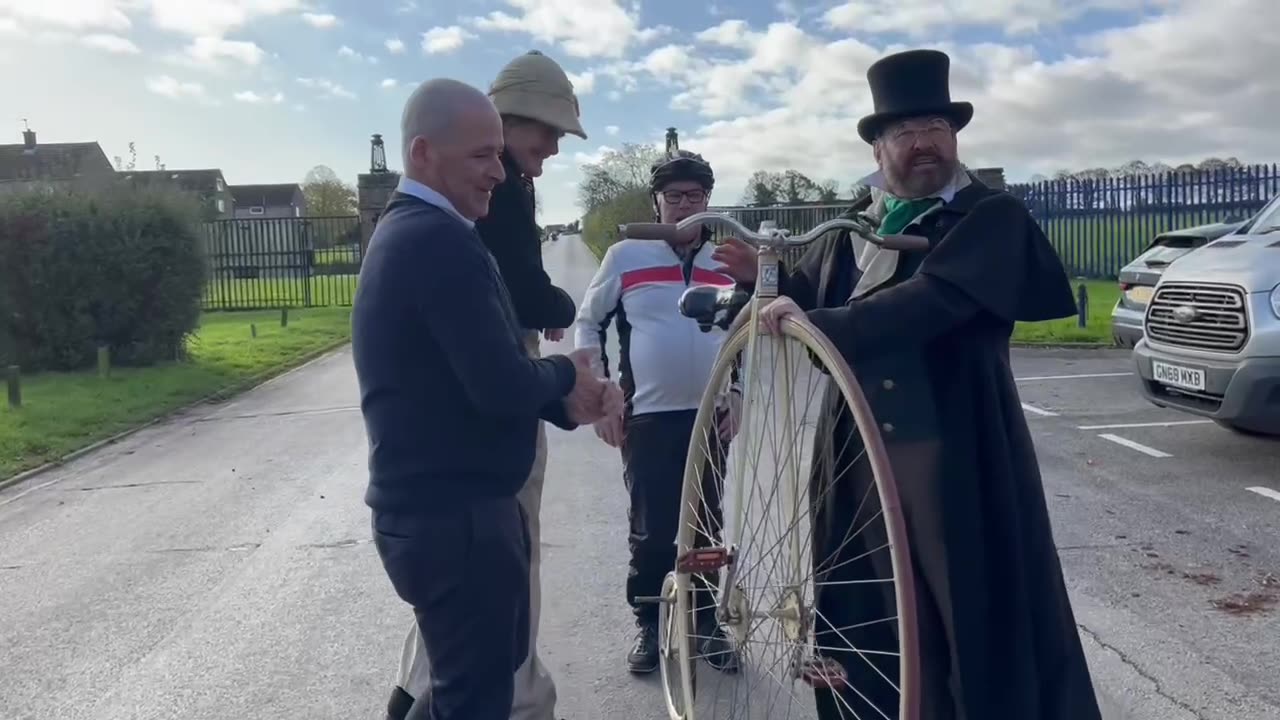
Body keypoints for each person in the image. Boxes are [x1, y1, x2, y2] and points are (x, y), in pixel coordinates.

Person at [713, 49, 1103, 719]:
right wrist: (764, 279)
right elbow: (813, 296)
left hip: (952, 447)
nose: (924, 143)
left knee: (965, 601)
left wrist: (818, 321)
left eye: (936, 127)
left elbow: (933, 302)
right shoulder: (858, 225)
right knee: (878, 605)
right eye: (904, 131)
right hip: (857, 448)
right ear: (877, 145)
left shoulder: (988, 216)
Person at [352, 77, 618, 720]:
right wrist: (564, 378)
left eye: (498, 154)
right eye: (479, 156)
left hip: (442, 513)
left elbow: (466, 378)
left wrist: (561, 400)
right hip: (458, 519)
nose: (497, 173)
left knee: (461, 688)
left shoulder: (418, 232)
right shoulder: (436, 239)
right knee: (474, 699)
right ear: (421, 154)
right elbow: (500, 384)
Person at [573, 146, 742, 675]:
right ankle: (649, 622)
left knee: (708, 524)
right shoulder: (626, 256)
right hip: (647, 416)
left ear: (709, 200)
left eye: (695, 196)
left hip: (710, 415)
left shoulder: (727, 260)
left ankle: (706, 622)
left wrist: (738, 394)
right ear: (657, 202)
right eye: (674, 197)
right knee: (652, 529)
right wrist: (601, 395)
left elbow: (748, 333)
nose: (685, 205)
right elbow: (587, 324)